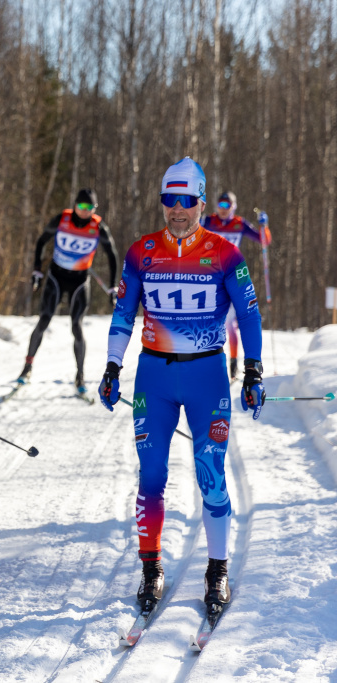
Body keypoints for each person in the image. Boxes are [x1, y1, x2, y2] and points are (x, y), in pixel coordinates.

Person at [97, 157, 266, 618]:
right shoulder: (140, 251)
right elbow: (122, 315)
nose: (177, 210)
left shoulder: (224, 252)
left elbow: (249, 315)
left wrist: (252, 370)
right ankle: (151, 567)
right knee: (150, 478)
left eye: (186, 201)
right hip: (154, 376)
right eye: (169, 201)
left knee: (211, 476)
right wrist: (112, 367)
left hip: (207, 377)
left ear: (200, 203)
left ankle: (217, 569)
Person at [18, 189, 118, 397]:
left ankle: (80, 376)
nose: (84, 211)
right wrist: (37, 269)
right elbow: (40, 242)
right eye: (81, 206)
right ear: (75, 205)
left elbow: (112, 255)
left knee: (77, 327)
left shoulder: (98, 227)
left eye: (89, 208)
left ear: (94, 209)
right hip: (56, 276)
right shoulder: (61, 220)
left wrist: (112, 286)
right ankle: (27, 368)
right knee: (44, 320)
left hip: (80, 281)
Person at [200, 191, 272, 379]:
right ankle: (205, 360)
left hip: (230, 274)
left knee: (230, 323)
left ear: (234, 207)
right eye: (220, 205)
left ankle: (233, 362)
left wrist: (264, 226)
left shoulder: (239, 224)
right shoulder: (208, 221)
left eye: (227, 206)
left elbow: (264, 241)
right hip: (210, 274)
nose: (223, 210)